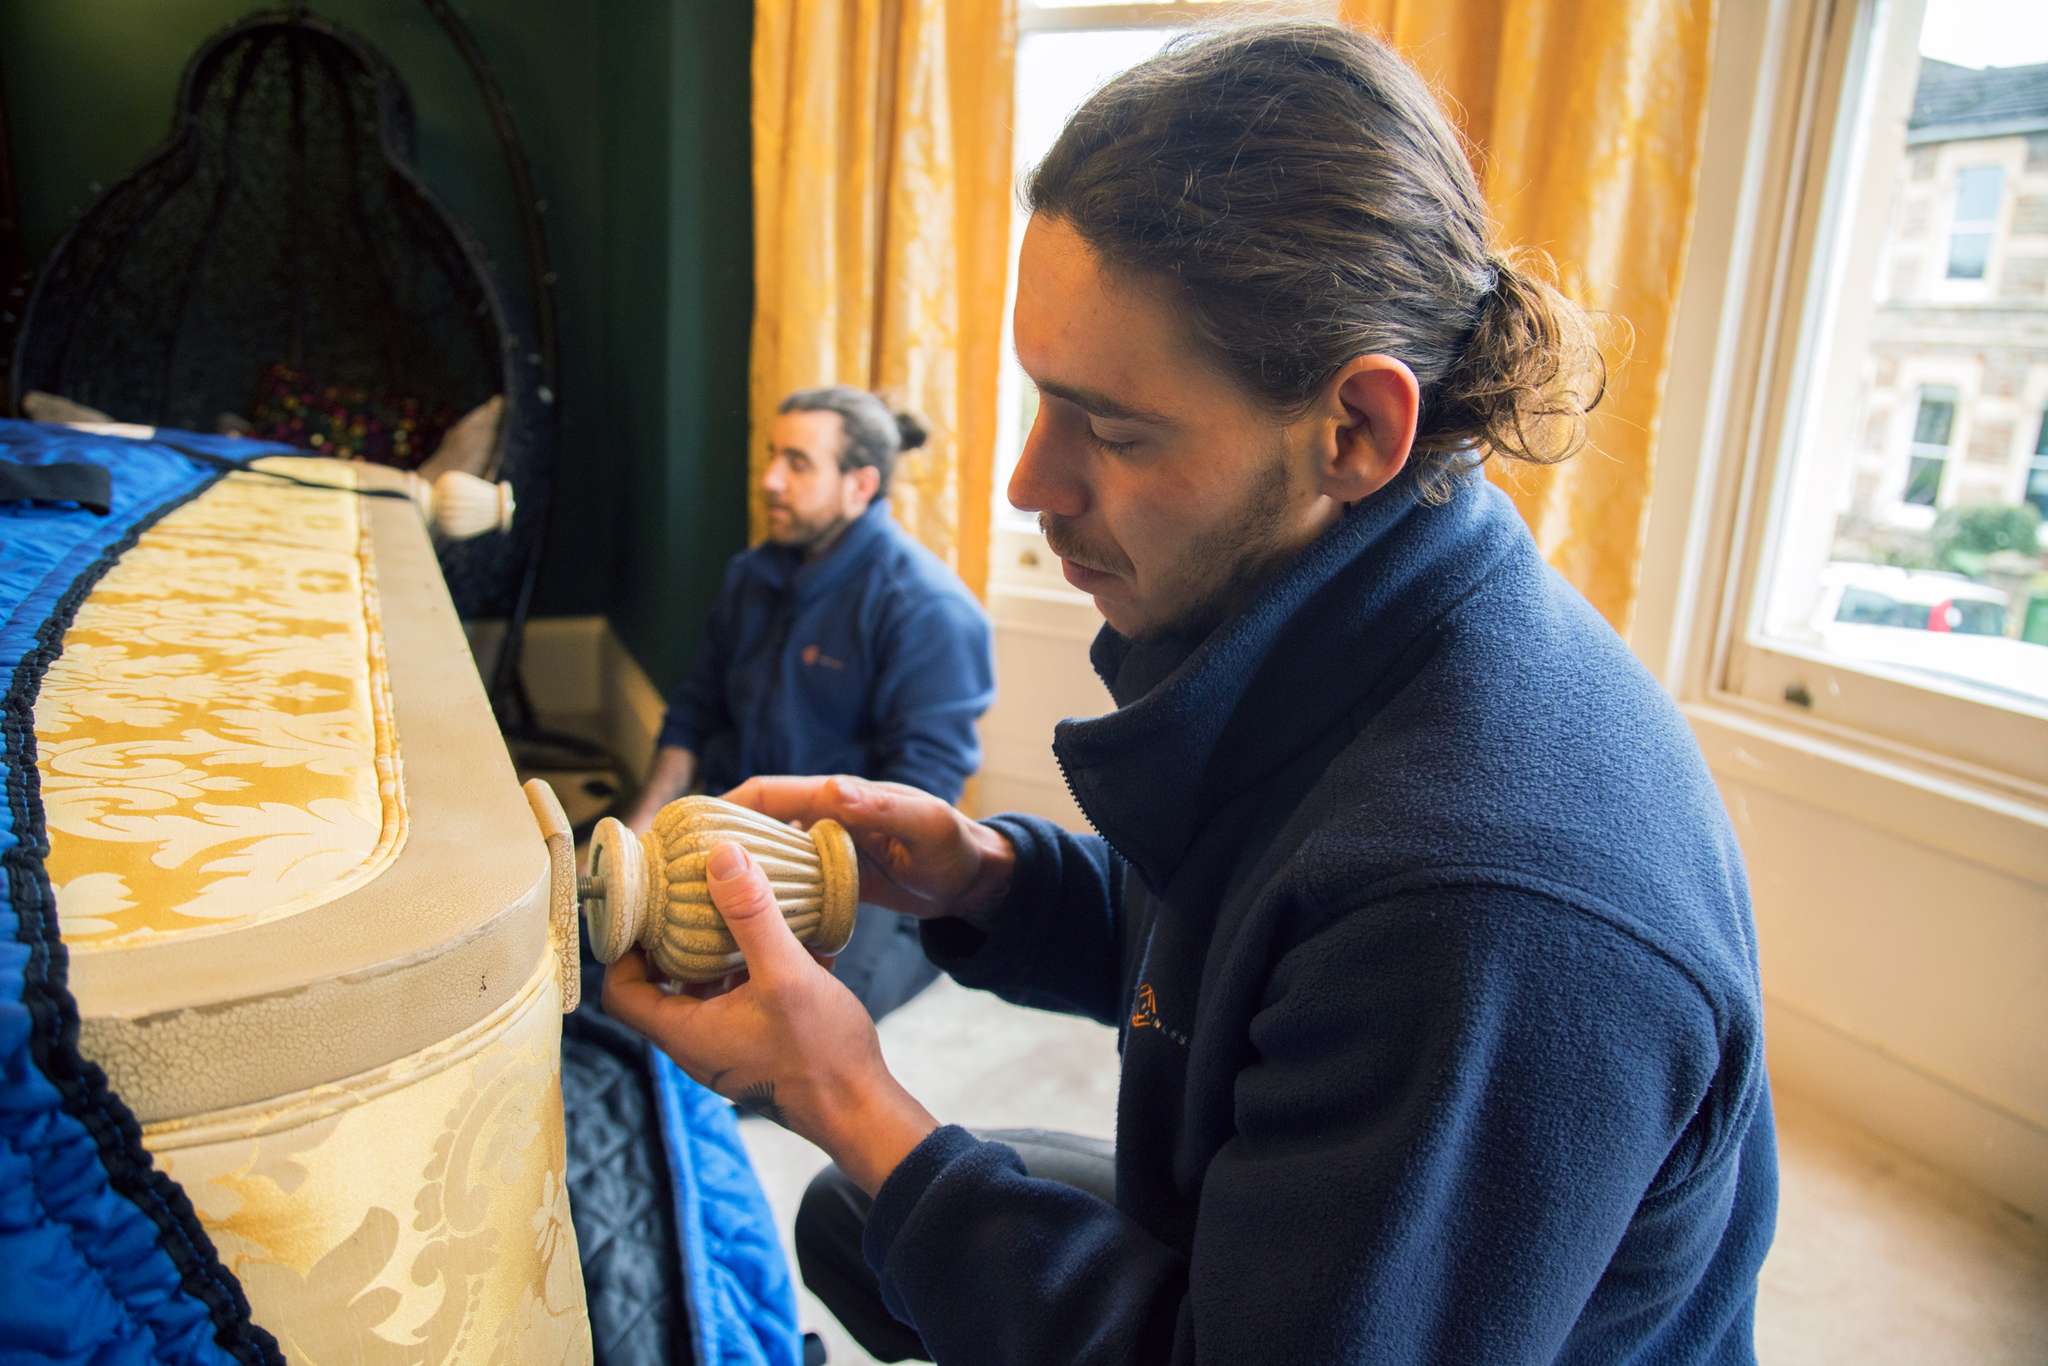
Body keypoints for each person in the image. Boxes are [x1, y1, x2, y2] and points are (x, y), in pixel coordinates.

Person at [604, 21, 1777, 1364]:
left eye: (1109, 425)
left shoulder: (1483, 908)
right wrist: (987, 876)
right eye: (1040, 399)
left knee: (883, 1178)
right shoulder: (1329, 623)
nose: (1028, 484)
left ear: (1357, 430)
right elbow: (1242, 952)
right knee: (855, 1225)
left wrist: (846, 1091)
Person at [622, 385, 994, 1020]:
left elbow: (918, 794)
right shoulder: (750, 576)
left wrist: (779, 880)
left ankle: (932, 940)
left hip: (853, 865)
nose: (769, 480)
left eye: (797, 463)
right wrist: (643, 829)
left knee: (783, 1027)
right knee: (621, 964)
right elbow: (693, 710)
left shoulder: (929, 609)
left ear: (859, 485)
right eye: (772, 456)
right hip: (736, 825)